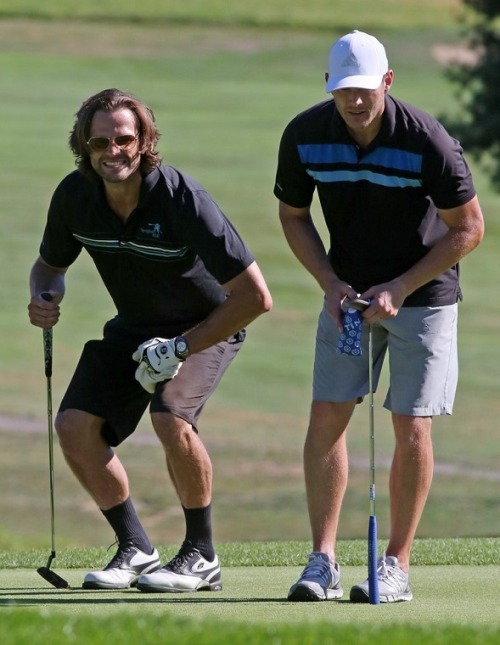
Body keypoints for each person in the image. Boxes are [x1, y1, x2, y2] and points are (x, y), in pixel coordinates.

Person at [28, 88, 272, 593]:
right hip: (135, 326)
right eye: (100, 143)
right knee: (74, 426)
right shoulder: (75, 197)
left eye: (123, 140)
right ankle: (136, 547)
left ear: (144, 143)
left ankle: (202, 556)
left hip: (206, 326)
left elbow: (254, 297)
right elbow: (49, 265)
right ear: (84, 146)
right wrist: (45, 294)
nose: (112, 152)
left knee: (171, 417)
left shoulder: (183, 199)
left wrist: (183, 347)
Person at [274, 30, 484, 602]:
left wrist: (402, 285)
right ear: (329, 87)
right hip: (349, 299)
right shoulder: (305, 135)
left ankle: (396, 565)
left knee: (410, 423)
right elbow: (293, 215)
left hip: (424, 297)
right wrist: (328, 282)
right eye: (344, 90)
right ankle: (322, 561)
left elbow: (469, 227)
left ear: (386, 83)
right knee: (327, 417)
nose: (355, 101)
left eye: (365, 89)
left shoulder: (427, 141)